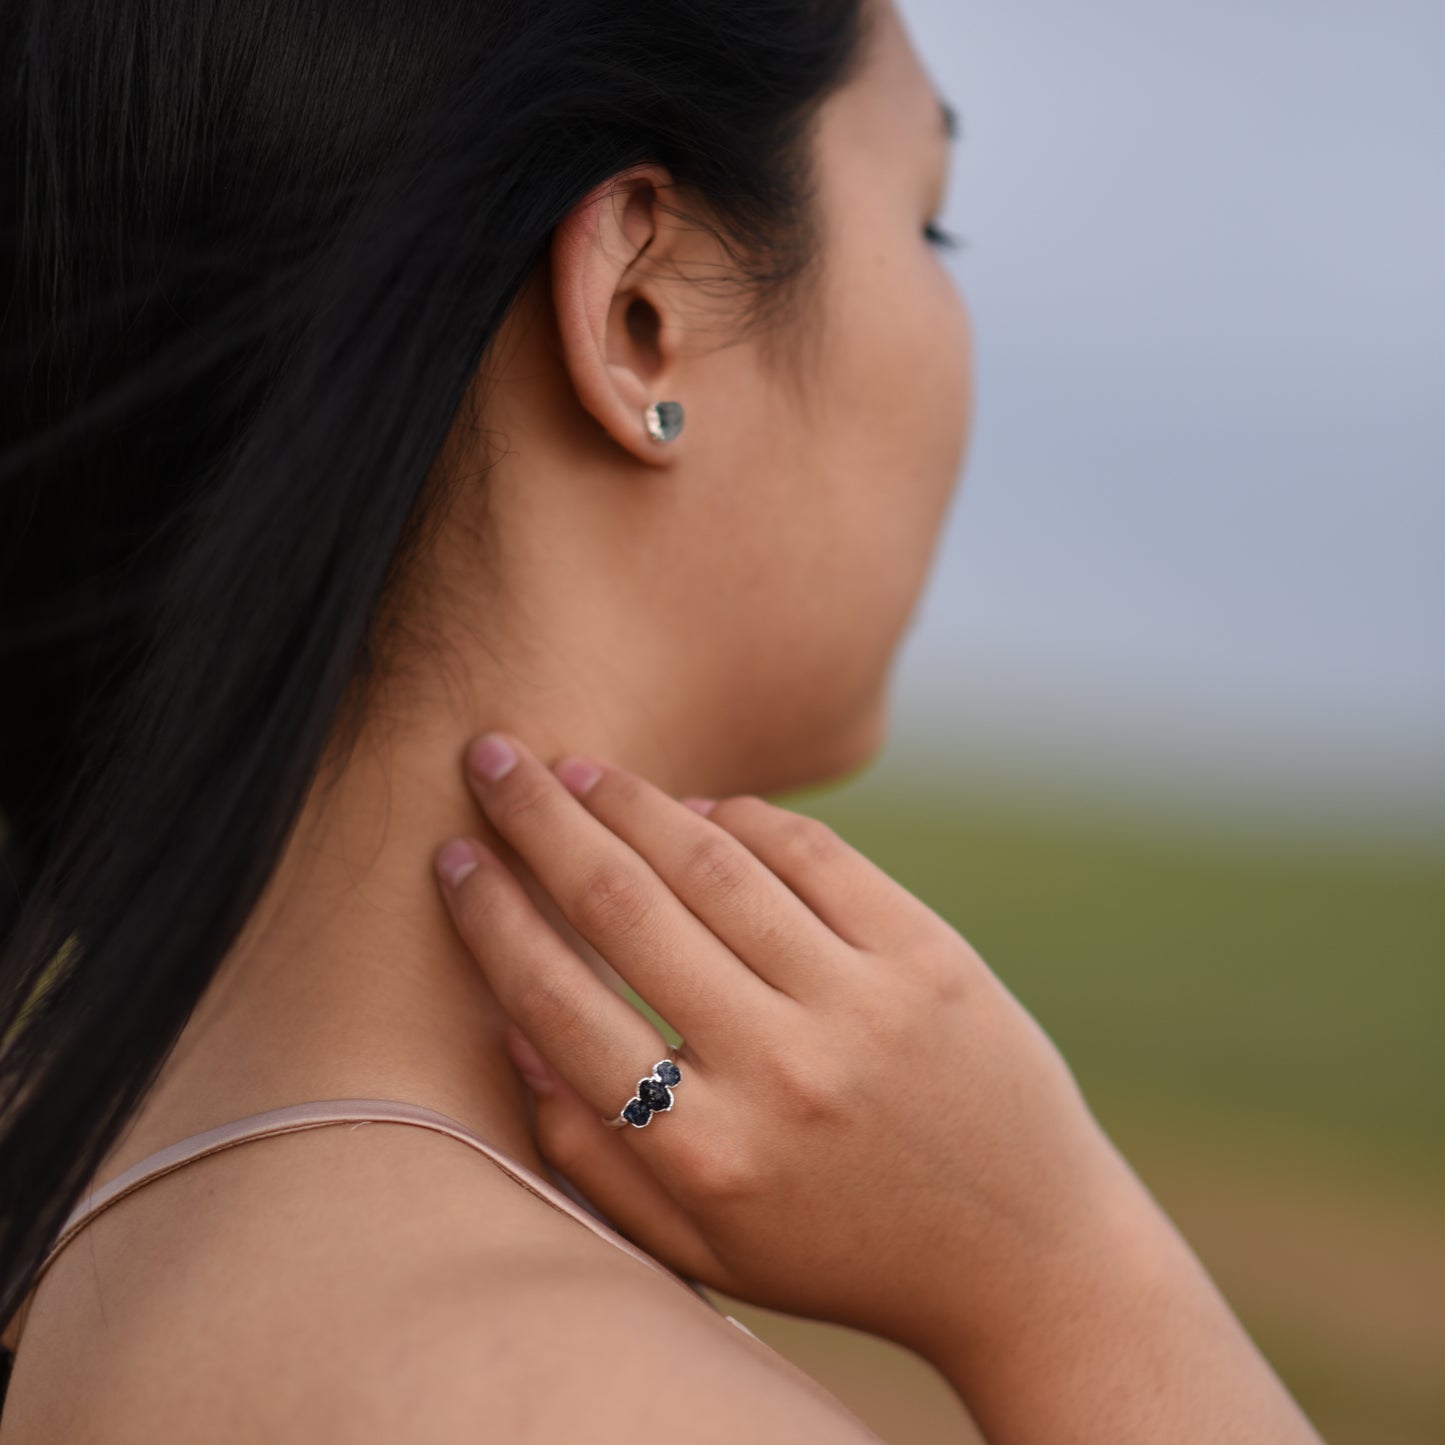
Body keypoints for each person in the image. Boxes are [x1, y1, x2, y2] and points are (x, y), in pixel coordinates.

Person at [0, 0, 1324, 1439]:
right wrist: (1073, 1281)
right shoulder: (564, 1392)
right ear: (642, 315)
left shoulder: (121, 1183)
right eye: (928, 224)